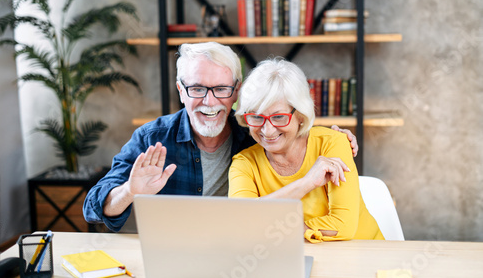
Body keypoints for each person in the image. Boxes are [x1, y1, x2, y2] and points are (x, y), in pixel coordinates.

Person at [83, 42, 358, 232]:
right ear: (180, 90)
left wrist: (332, 136)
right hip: (177, 254)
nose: (209, 102)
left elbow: (283, 120)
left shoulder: (254, 135)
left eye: (221, 89)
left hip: (245, 252)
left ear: (237, 91)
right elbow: (93, 208)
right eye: (197, 89)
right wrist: (129, 192)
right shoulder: (152, 139)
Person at [228, 58, 384, 243]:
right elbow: (241, 223)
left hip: (364, 253)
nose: (267, 130)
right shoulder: (243, 163)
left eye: (279, 117)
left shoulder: (332, 143)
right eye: (256, 117)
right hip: (296, 259)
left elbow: (344, 226)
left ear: (300, 115)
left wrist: (266, 229)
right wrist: (307, 183)